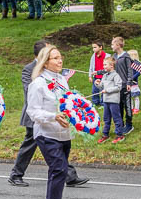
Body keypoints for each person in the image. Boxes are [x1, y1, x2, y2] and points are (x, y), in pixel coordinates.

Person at [9, 40, 89, 188]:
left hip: (55, 118)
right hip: (36, 116)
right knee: (30, 145)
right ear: (43, 56)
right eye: (52, 55)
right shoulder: (30, 70)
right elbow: (30, 92)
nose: (58, 59)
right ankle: (16, 174)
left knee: (57, 147)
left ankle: (69, 175)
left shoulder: (58, 75)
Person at [26, 44, 74, 199]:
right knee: (59, 169)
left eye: (60, 57)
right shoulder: (38, 83)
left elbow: (67, 103)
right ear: (45, 62)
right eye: (55, 58)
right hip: (46, 133)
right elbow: (33, 111)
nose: (60, 60)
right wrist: (52, 117)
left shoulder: (62, 80)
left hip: (64, 133)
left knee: (59, 172)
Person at [95, 57, 125, 144]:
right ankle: (105, 135)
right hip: (106, 100)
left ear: (111, 65)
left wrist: (107, 90)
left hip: (113, 101)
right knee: (106, 118)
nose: (103, 66)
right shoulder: (104, 76)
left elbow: (118, 87)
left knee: (116, 118)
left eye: (105, 64)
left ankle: (120, 135)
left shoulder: (116, 75)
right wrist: (97, 84)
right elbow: (101, 87)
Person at [111, 37, 135, 134]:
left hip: (125, 85)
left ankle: (129, 125)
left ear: (118, 45)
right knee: (119, 105)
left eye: (112, 44)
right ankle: (121, 124)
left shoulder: (126, 57)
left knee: (127, 106)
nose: (111, 46)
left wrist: (129, 82)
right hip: (117, 86)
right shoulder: (114, 57)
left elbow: (130, 71)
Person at [88, 41, 109, 107]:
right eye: (93, 47)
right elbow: (91, 67)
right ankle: (95, 102)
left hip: (104, 76)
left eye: (95, 47)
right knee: (95, 90)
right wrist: (90, 76)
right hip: (96, 76)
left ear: (100, 47)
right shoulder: (93, 56)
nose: (93, 49)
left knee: (103, 90)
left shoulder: (107, 56)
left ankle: (103, 103)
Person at [127, 50, 141, 114]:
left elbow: (138, 73)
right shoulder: (128, 64)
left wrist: (132, 77)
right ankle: (131, 107)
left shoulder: (136, 64)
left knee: (136, 97)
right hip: (128, 83)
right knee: (129, 96)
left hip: (134, 83)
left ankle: (136, 108)